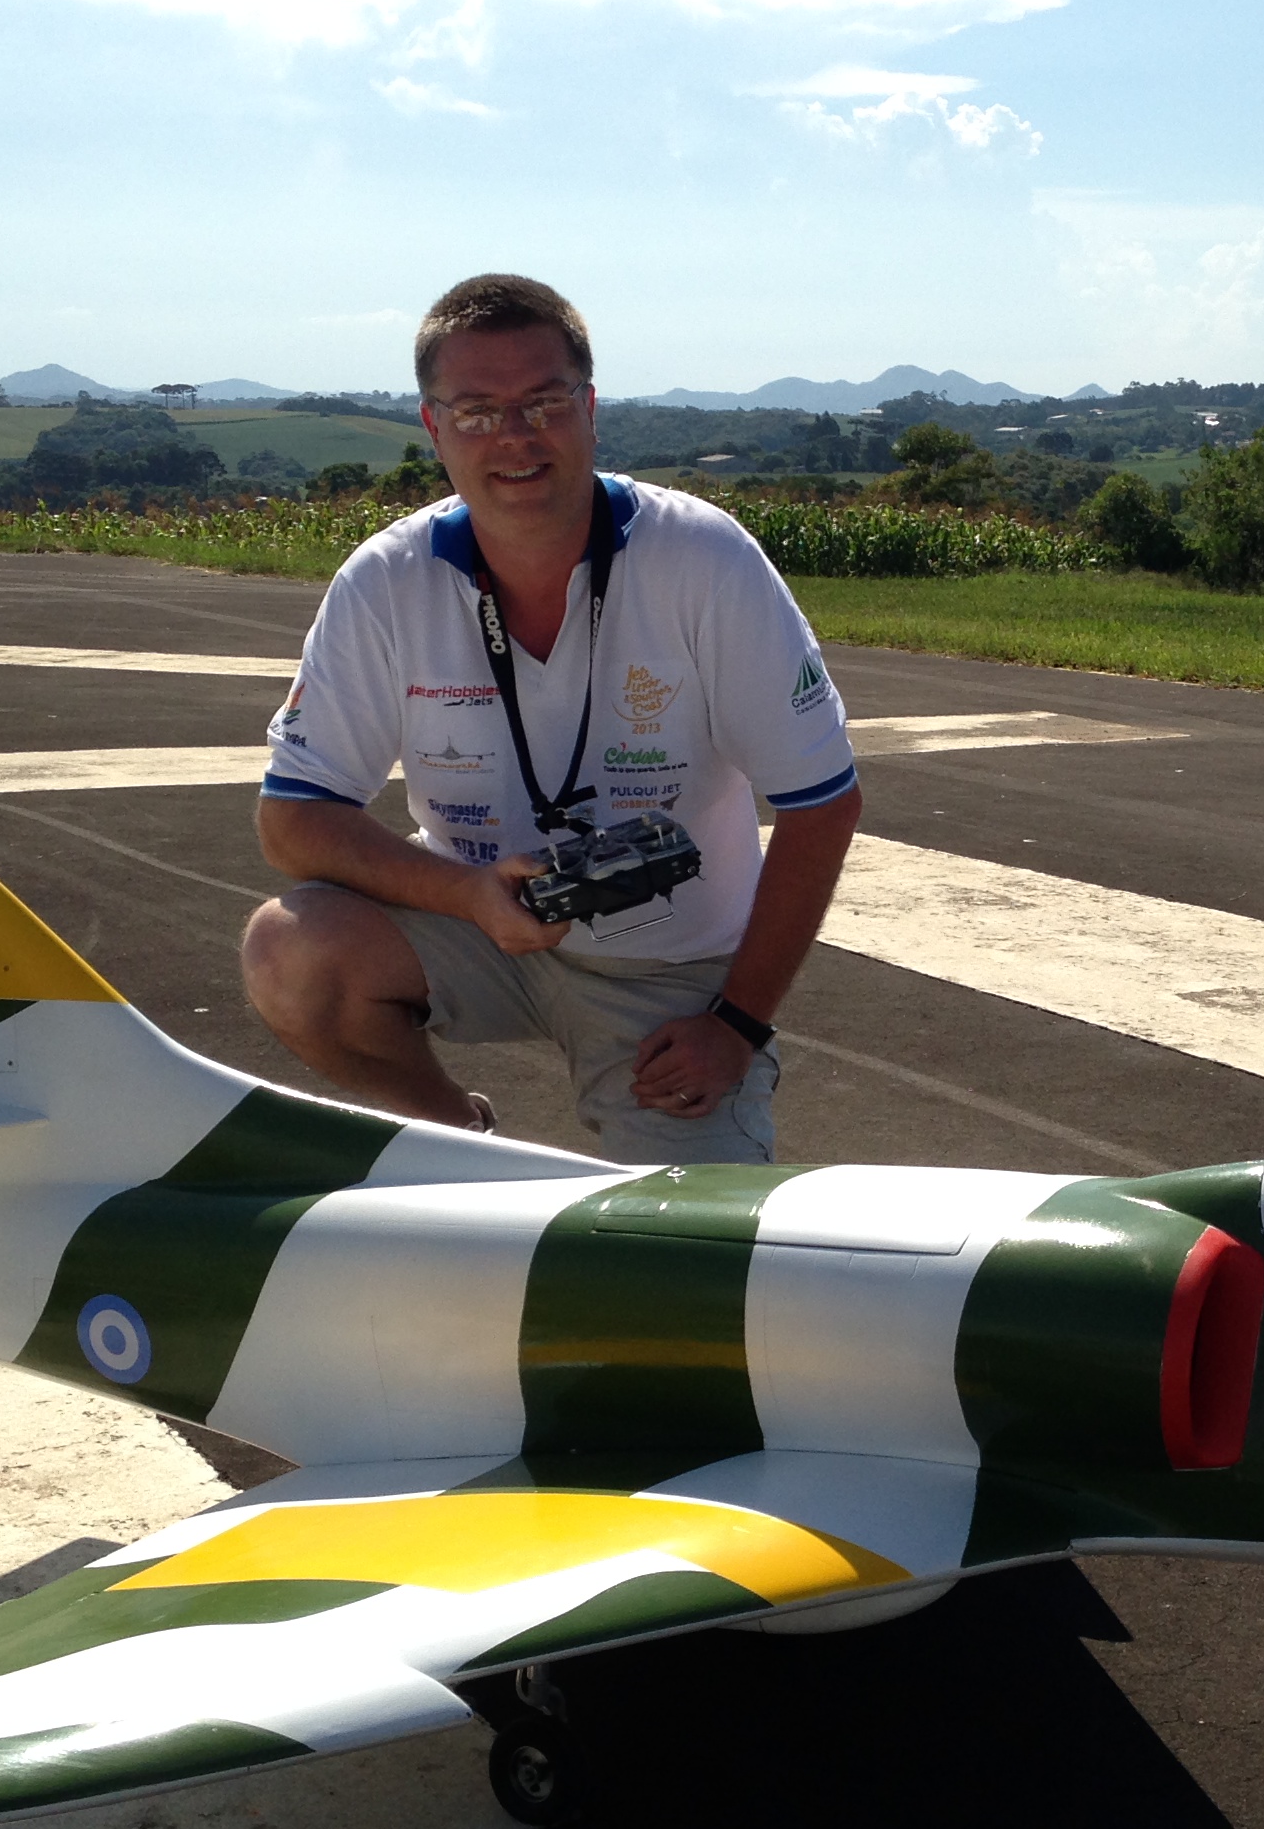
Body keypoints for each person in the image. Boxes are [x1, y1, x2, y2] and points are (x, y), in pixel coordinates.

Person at [242, 273, 862, 1165]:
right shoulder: (386, 581)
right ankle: (459, 1140)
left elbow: (821, 801)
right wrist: (468, 894)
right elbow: (292, 821)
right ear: (433, 428)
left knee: (681, 1236)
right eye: (477, 412)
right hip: (478, 925)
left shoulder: (703, 559)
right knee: (289, 952)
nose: (516, 436)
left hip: (673, 971)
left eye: (544, 402)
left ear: (590, 409)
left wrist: (737, 1023)